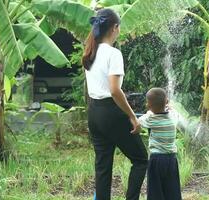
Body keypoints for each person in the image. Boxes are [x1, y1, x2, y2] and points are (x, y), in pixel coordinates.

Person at [82, 8, 148, 200]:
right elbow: (114, 90)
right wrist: (132, 116)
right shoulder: (113, 53)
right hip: (111, 112)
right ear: (115, 28)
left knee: (103, 167)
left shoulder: (90, 52)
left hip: (94, 113)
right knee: (141, 160)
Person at [138, 88, 182, 200]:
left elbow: (139, 121)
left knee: (155, 192)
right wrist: (169, 107)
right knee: (172, 191)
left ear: (149, 105)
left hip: (156, 159)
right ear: (166, 102)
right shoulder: (173, 117)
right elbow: (175, 112)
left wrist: (149, 112)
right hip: (171, 159)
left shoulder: (151, 118)